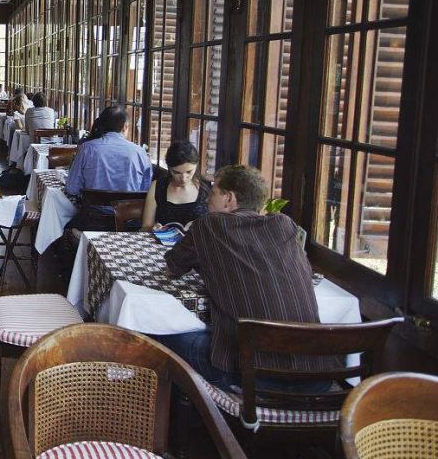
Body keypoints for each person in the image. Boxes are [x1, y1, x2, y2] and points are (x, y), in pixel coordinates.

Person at [158, 165, 340, 391]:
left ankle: (191, 409)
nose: (206, 199)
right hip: (316, 378)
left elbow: (172, 267)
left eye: (213, 192)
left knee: (155, 334)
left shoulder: (209, 225)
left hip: (252, 378)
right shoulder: (284, 225)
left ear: (228, 198)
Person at [65, 105, 152, 196]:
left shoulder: (87, 148)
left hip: (93, 204)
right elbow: (146, 190)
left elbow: (72, 188)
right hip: (128, 205)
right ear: (125, 126)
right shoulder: (139, 152)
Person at [142, 141, 209, 231]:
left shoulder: (206, 188)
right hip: (164, 239)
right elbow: (145, 227)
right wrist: (153, 229)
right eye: (176, 172)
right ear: (169, 168)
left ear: (196, 165)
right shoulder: (158, 186)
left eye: (189, 172)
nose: (183, 178)